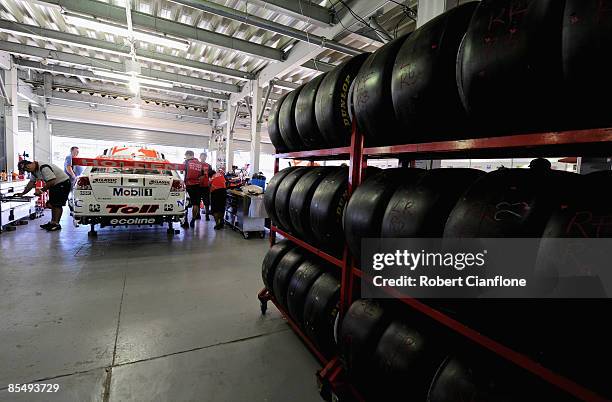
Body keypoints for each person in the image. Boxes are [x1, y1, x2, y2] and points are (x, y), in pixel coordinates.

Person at [16, 160, 71, 232]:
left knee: (57, 204)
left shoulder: (43, 167)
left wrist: (41, 191)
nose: (28, 170)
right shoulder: (34, 171)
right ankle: (53, 223)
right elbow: (31, 183)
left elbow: (52, 181)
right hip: (55, 185)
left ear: (32, 163)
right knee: (53, 203)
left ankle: (56, 224)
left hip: (62, 183)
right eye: (26, 170)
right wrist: (23, 193)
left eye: (28, 167)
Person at [183, 150, 205, 228]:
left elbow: (183, 173)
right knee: (195, 204)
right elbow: (202, 175)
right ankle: (193, 219)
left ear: (189, 155)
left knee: (185, 204)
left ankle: (185, 222)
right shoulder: (200, 164)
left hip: (188, 186)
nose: (185, 157)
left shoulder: (186, 162)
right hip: (197, 186)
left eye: (186, 155)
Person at [199, 152, 214, 221]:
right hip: (198, 185)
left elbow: (212, 175)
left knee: (207, 202)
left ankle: (207, 215)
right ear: (200, 157)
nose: (204, 158)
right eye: (202, 156)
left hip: (206, 185)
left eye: (205, 156)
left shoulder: (208, 165)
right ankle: (197, 214)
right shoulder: (197, 165)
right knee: (197, 201)